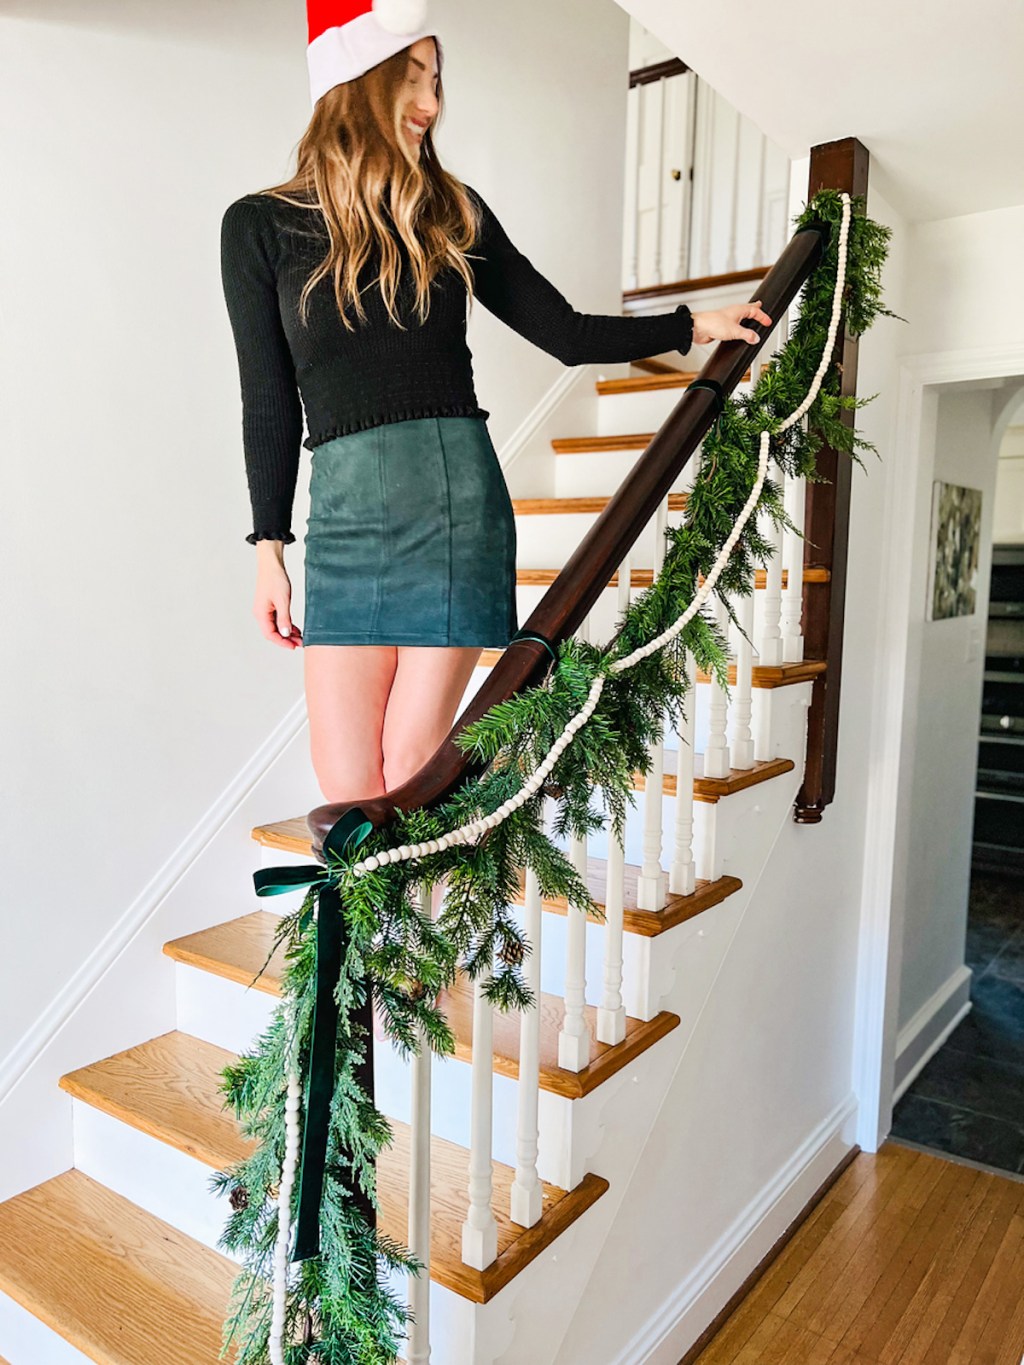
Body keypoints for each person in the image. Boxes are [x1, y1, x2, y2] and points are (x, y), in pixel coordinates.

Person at [219, 0, 771, 811]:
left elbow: (566, 331)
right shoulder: (259, 226)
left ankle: (405, 941)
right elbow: (266, 397)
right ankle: (391, 938)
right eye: (413, 79)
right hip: (344, 515)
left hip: (453, 503)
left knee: (411, 767)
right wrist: (269, 544)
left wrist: (692, 324)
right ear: (356, 82)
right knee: (343, 783)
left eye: (437, 83)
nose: (432, 105)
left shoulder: (451, 209)